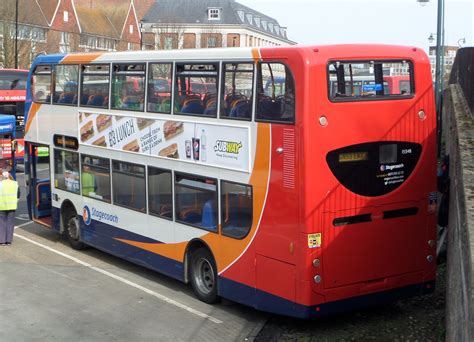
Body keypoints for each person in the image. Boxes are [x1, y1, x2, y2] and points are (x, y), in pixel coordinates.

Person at [0, 171, 20, 246]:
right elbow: (18, 194)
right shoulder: (15, 184)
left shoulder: (0, 184)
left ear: (3, 177)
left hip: (1, 207)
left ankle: (2, 241)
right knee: (10, 223)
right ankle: (8, 241)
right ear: (9, 176)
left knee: (2, 224)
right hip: (12, 206)